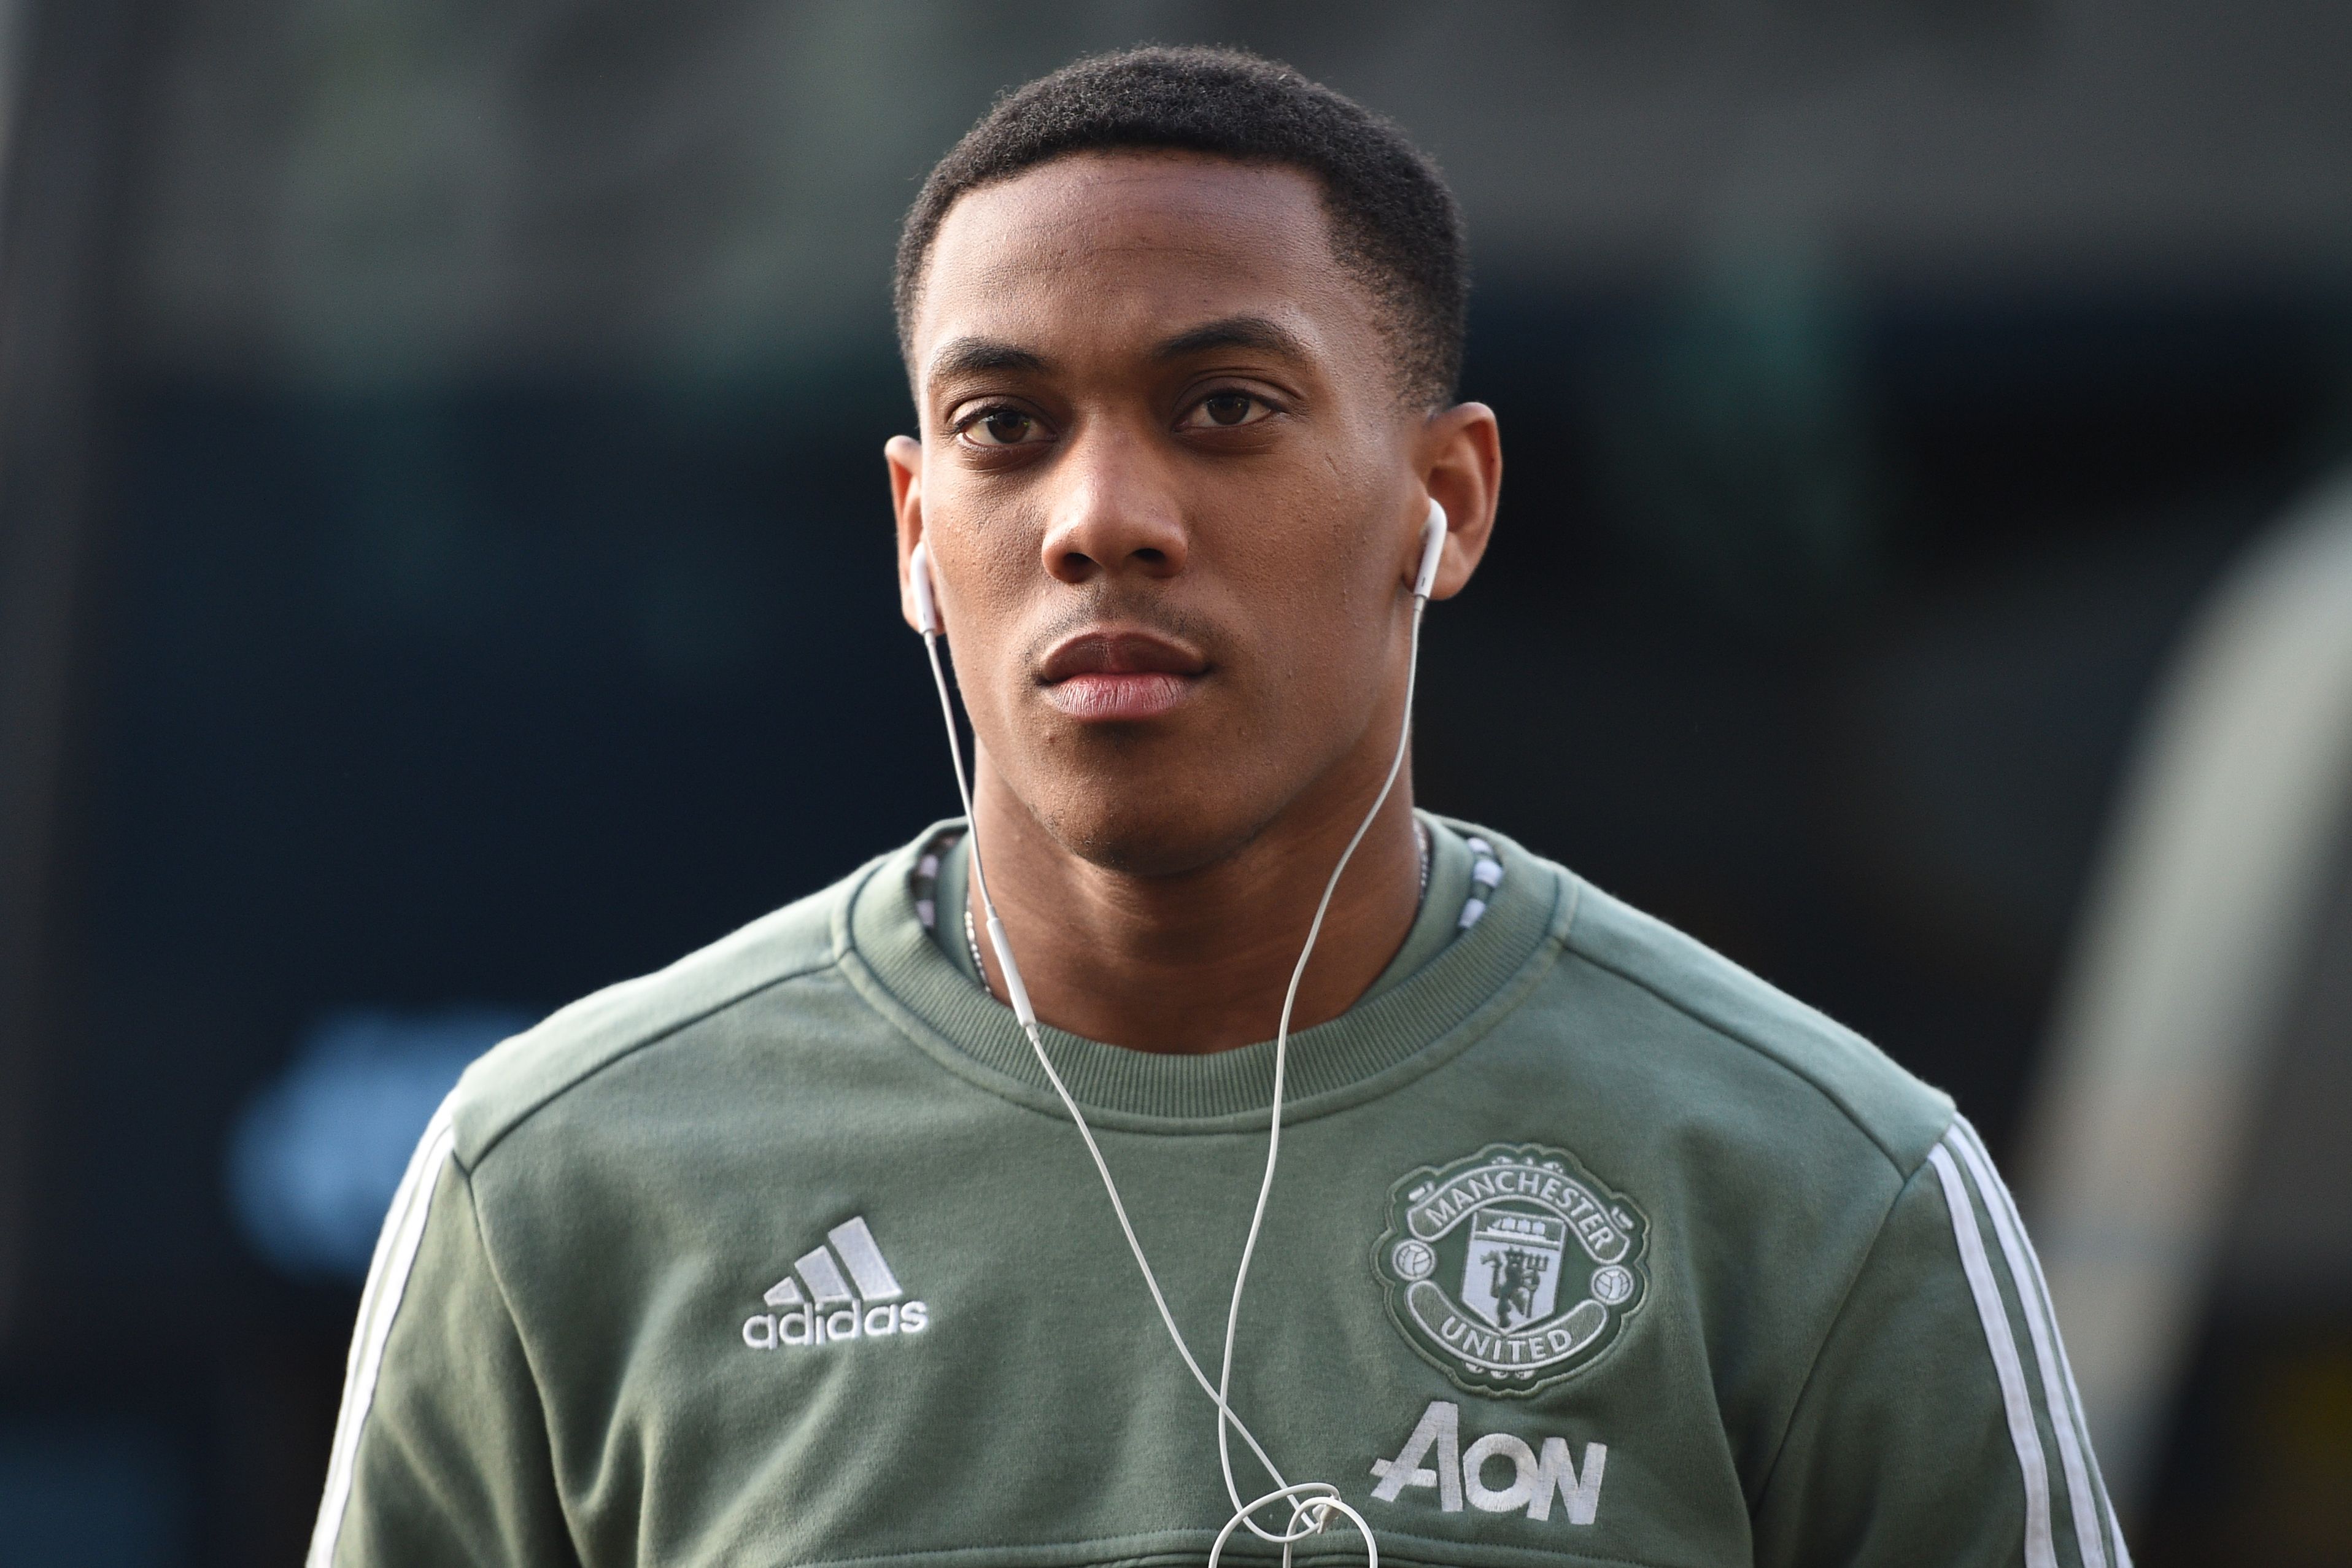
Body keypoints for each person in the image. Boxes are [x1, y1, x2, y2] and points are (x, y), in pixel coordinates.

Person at [308, 46, 2129, 1568]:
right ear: (914, 531)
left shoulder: (1823, 1187)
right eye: (1005, 427)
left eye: (1227, 406)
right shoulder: (556, 1187)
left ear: (1450, 498)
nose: (1102, 515)